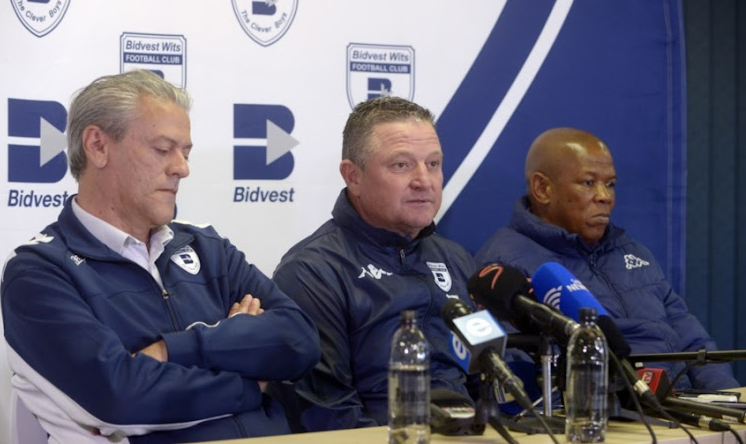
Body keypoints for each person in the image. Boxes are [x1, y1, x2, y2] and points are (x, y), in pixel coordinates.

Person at [0, 70, 321, 443]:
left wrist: (172, 349)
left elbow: (300, 341)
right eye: (162, 149)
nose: (182, 168)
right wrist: (253, 383)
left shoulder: (207, 247)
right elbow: (120, 397)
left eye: (185, 152)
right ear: (98, 146)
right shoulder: (39, 272)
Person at [270, 96, 478, 431]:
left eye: (434, 164)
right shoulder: (313, 272)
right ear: (353, 176)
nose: (424, 180)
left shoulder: (455, 258)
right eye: (401, 165)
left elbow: (490, 375)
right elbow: (328, 414)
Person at [475, 127, 739, 390]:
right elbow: (523, 375)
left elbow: (693, 341)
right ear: (542, 189)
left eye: (610, 184)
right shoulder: (503, 267)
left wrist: (727, 398)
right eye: (588, 183)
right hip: (608, 417)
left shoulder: (632, 251)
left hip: (684, 410)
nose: (605, 197)